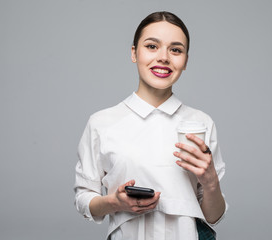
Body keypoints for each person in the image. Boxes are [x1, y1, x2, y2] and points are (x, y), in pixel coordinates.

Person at [74, 11, 227, 240]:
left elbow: (213, 216)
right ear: (134, 53)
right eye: (152, 46)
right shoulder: (102, 123)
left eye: (175, 50)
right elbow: (84, 199)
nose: (164, 57)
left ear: (185, 60)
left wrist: (211, 182)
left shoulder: (201, 124)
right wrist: (113, 202)